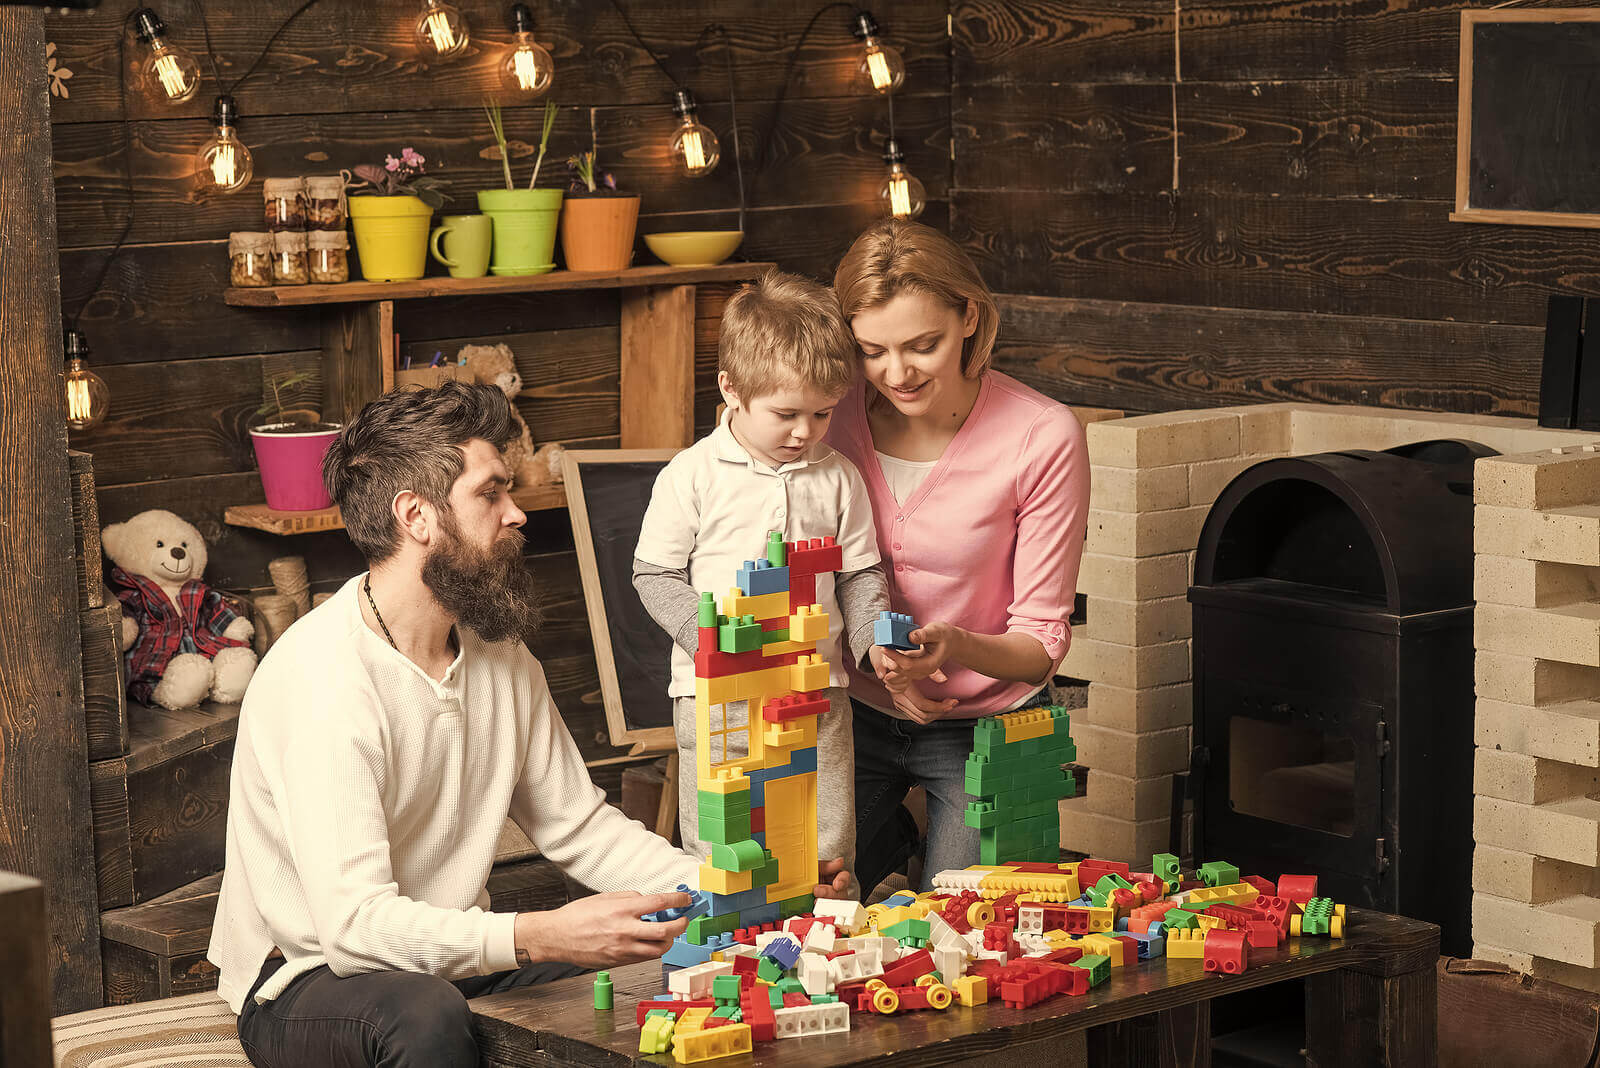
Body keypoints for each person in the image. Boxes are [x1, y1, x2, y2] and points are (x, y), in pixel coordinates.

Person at [209, 382, 845, 1068]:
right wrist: (538, 936)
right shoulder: (323, 677)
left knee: (644, 986)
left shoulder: (499, 655)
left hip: (449, 960)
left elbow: (578, 826)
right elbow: (353, 929)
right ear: (416, 516)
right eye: (491, 493)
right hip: (309, 977)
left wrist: (738, 890)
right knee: (424, 1017)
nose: (516, 514)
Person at [827, 219, 1091, 896]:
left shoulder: (1041, 435)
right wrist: (880, 667)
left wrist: (955, 646)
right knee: (820, 913)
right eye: (873, 351)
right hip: (851, 712)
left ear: (969, 316)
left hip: (985, 725)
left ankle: (911, 861)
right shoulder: (830, 418)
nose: (897, 374)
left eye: (924, 345)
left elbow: (1041, 642)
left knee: (963, 922)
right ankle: (895, 855)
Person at [633, 271, 895, 893]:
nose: (805, 432)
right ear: (731, 389)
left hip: (817, 685)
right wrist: (708, 635)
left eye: (822, 413)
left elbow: (860, 572)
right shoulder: (692, 475)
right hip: (718, 692)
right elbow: (654, 573)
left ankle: (823, 925)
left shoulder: (838, 476)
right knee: (726, 830)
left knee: (824, 826)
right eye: (786, 414)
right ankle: (725, 927)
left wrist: (871, 641)